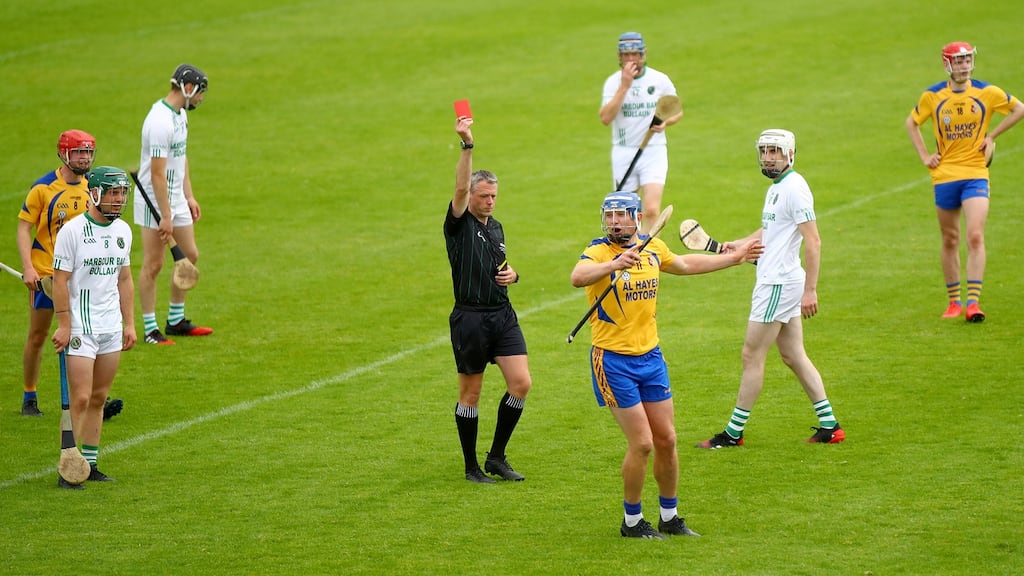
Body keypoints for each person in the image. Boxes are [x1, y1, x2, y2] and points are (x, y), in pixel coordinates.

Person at [571, 191, 762, 539]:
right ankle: (631, 522)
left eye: (621, 215)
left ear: (637, 217)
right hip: (612, 361)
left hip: (651, 357)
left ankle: (670, 517)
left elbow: (686, 264)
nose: (614, 222)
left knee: (667, 439)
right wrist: (614, 265)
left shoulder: (652, 248)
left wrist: (733, 259)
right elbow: (578, 276)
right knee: (642, 442)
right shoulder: (599, 251)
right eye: (609, 216)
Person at [696, 129, 845, 450]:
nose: (768, 157)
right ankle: (830, 426)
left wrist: (811, 290)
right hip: (780, 281)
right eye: (764, 150)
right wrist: (739, 245)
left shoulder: (795, 188)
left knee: (751, 355)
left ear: (790, 154)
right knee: (793, 355)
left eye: (775, 151)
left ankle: (733, 433)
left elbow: (814, 240)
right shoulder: (777, 189)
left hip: (778, 284)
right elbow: (771, 229)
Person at [904, 41, 1024, 322]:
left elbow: (1019, 109)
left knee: (974, 235)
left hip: (975, 173)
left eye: (967, 59)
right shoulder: (933, 96)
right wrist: (925, 156)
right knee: (950, 239)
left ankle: (973, 303)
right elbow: (912, 123)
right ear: (947, 64)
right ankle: (953, 302)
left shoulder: (987, 92)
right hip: (945, 175)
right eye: (958, 61)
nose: (964, 65)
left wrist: (992, 136)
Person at [445, 116, 531, 484]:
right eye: (485, 196)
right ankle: (470, 467)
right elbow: (460, 191)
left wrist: (513, 275)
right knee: (472, 392)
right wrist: (467, 145)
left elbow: (502, 265)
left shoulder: (495, 226)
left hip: (502, 315)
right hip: (471, 318)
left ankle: (496, 456)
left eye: (494, 196)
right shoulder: (459, 222)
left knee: (521, 383)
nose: (490, 202)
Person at [16, 130, 123, 420]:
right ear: (64, 154)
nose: (85, 158)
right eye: (79, 152)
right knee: (38, 335)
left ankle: (92, 398)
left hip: (82, 277)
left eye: (89, 152)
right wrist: (28, 267)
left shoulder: (94, 187)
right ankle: (29, 394)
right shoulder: (44, 188)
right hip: (47, 275)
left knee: (85, 333)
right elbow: (24, 228)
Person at [51, 166, 136, 489]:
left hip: (110, 326)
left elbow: (124, 279)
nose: (118, 200)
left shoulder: (123, 231)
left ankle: (89, 462)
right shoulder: (72, 232)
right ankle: (68, 466)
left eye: (122, 194)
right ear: (96, 194)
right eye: (113, 193)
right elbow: (60, 281)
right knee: (81, 398)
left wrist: (129, 323)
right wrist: (63, 323)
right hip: (80, 329)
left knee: (99, 397)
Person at [136, 63, 213, 345]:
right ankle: (149, 329)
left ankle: (176, 320)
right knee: (153, 264)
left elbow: (181, 158)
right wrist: (165, 215)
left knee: (189, 254)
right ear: (188, 88)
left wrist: (189, 195)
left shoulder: (180, 114)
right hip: (154, 200)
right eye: (200, 92)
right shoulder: (159, 122)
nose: (201, 99)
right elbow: (156, 173)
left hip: (176, 198)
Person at [599, 32, 683, 227]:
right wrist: (624, 87)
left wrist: (665, 123)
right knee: (624, 213)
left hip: (653, 149)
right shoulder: (613, 82)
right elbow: (605, 117)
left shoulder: (659, 80)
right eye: (626, 55)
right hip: (624, 150)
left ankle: (650, 255)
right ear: (619, 56)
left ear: (643, 54)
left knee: (652, 209)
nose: (631, 59)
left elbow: (676, 110)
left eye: (635, 54)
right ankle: (627, 254)